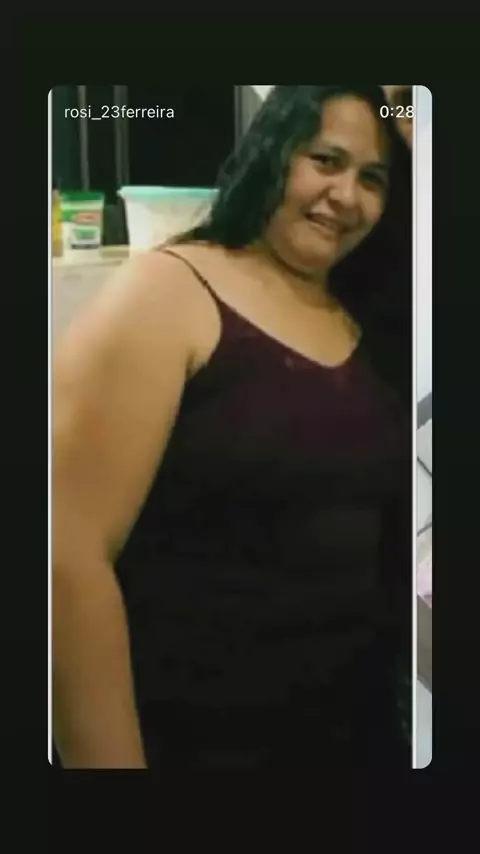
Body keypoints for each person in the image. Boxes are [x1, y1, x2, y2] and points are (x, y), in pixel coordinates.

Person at [53, 85, 412, 768]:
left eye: (372, 179)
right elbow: (66, 558)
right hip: (194, 740)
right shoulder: (167, 291)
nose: (346, 195)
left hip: (350, 736)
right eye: (325, 160)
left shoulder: (365, 319)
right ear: (271, 151)